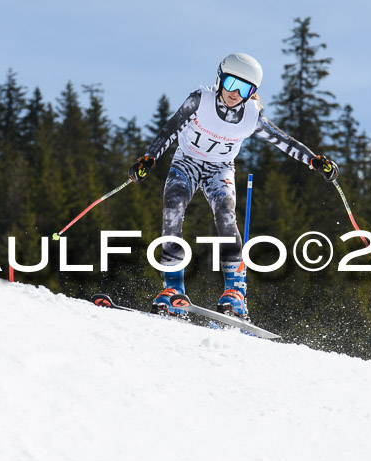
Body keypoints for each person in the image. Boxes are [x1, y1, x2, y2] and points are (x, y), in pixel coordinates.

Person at [128, 52, 338, 320]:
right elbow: (170, 130)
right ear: (219, 79)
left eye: (244, 88)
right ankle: (172, 290)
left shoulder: (251, 116)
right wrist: (150, 158)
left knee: (226, 216)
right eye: (230, 84)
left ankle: (235, 293)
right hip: (187, 163)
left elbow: (283, 141)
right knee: (172, 210)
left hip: (220, 170)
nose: (235, 93)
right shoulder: (200, 100)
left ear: (252, 92)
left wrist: (315, 162)